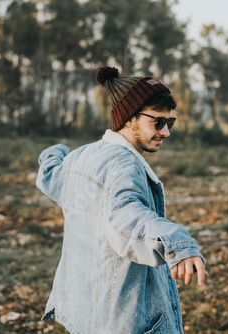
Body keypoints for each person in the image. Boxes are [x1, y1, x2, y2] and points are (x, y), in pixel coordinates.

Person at [36, 66, 207, 334]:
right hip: (121, 320)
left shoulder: (81, 156)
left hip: (86, 314)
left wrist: (55, 152)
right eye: (158, 122)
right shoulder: (125, 167)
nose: (166, 132)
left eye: (170, 122)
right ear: (129, 118)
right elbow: (128, 220)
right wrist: (176, 241)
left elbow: (50, 176)